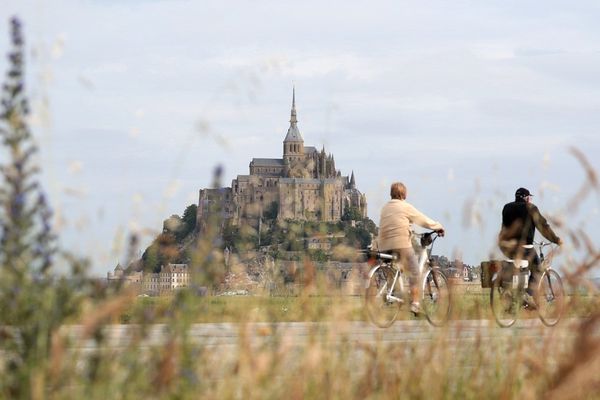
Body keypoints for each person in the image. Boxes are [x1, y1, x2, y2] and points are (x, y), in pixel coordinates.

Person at [377, 182, 445, 315]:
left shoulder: (385, 207)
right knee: (415, 272)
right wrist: (438, 226)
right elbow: (422, 219)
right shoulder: (405, 206)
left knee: (396, 269)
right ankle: (415, 303)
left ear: (391, 194)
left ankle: (395, 294)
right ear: (404, 194)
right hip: (400, 244)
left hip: (383, 246)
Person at [498, 187, 562, 308]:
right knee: (538, 269)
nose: (530, 200)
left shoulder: (507, 207)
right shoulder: (531, 208)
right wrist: (556, 240)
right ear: (526, 198)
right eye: (529, 197)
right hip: (524, 247)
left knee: (519, 266)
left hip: (506, 247)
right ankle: (527, 294)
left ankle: (512, 295)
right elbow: (543, 227)